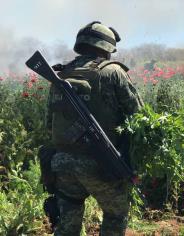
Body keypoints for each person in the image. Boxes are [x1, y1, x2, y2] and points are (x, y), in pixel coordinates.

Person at [45, 21, 143, 236]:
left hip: (62, 163)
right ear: (106, 48)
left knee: (67, 223)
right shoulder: (113, 72)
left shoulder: (59, 75)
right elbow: (139, 115)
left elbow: (48, 124)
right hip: (102, 163)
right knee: (116, 215)